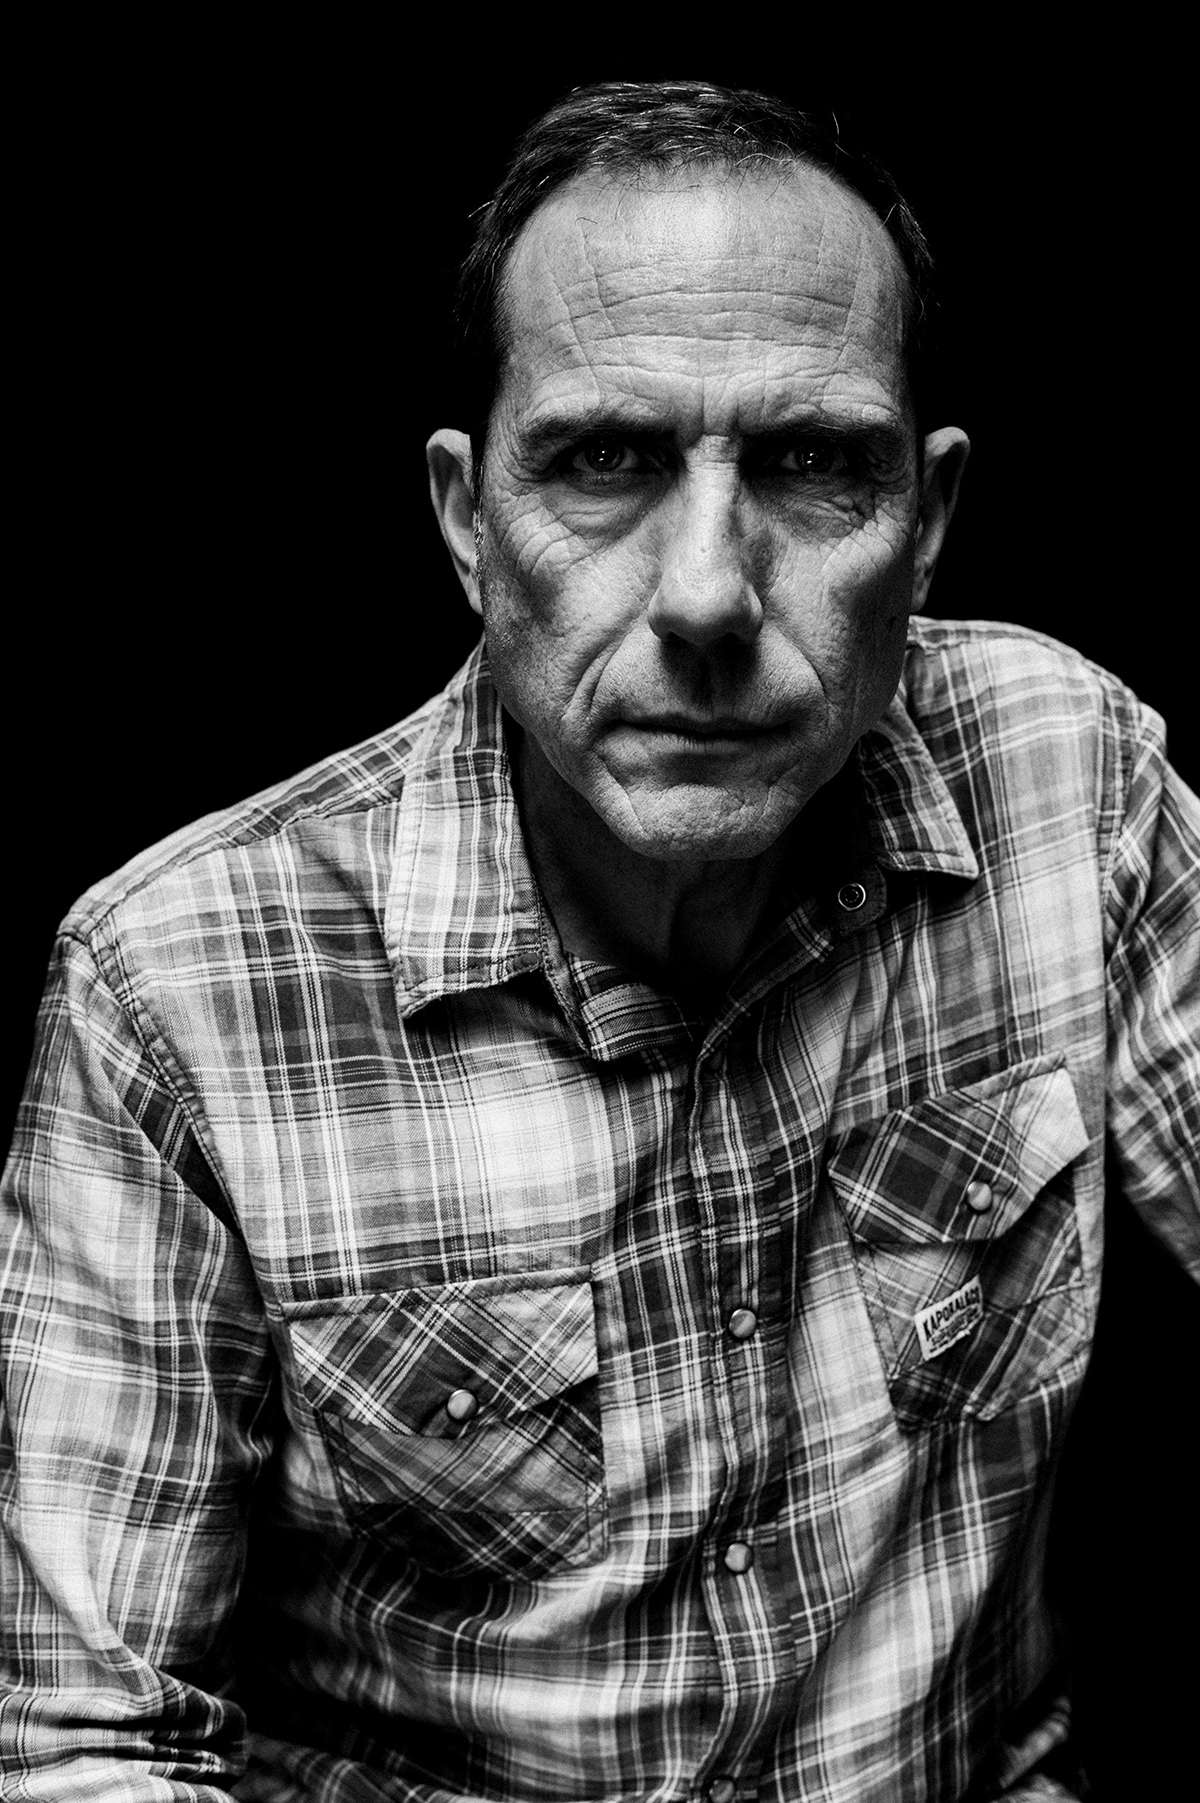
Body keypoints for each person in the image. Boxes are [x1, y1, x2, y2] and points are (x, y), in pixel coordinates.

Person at [1, 78, 1196, 1803]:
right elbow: (89, 1747)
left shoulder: (1066, 776)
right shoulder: (182, 985)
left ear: (928, 524)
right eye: (607, 463)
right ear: (467, 519)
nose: (708, 594)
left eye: (810, 465)